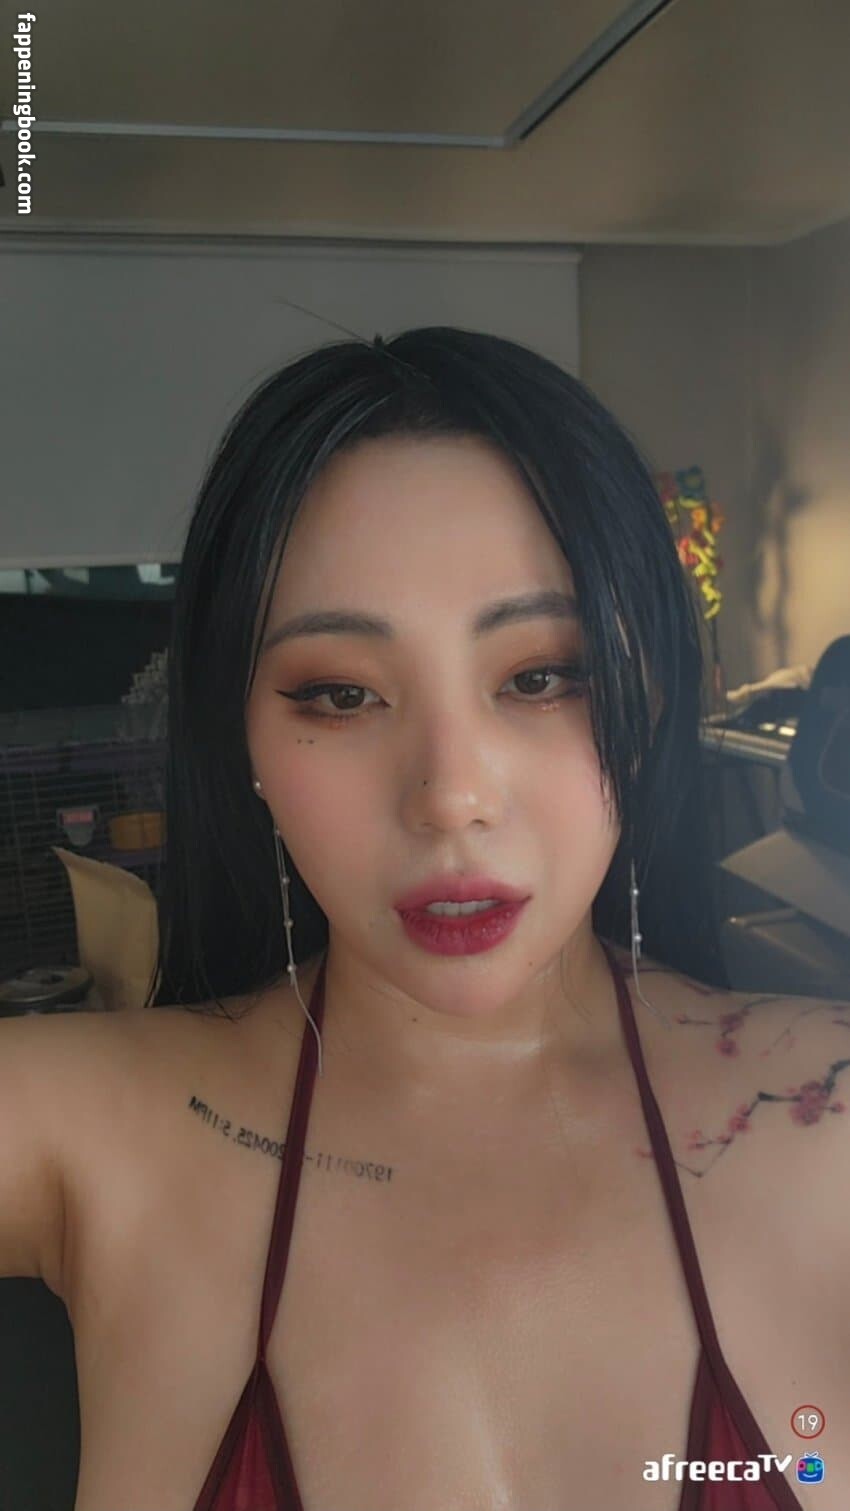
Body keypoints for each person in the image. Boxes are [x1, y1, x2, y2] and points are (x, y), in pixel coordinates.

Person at [2, 328, 847, 1510]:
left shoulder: (827, 1127)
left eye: (541, 675)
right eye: (341, 693)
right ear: (242, 740)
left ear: (651, 695)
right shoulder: (82, 1127)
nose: (451, 794)